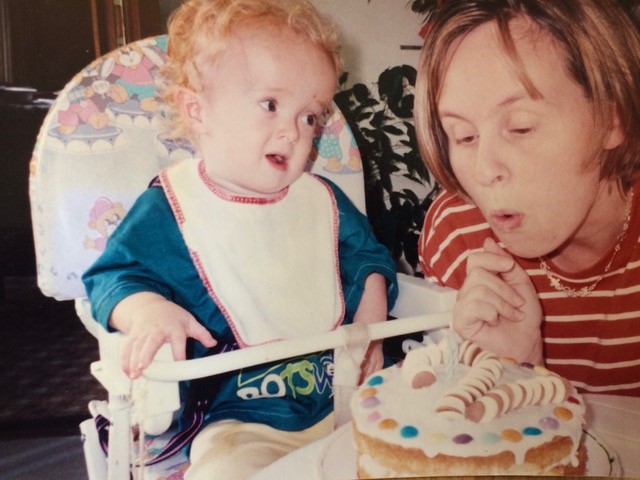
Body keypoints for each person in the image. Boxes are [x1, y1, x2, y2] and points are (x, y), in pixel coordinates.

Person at [82, 0, 398, 477]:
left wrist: (368, 331)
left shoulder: (322, 201)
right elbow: (113, 277)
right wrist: (148, 311)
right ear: (197, 110)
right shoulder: (171, 208)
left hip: (350, 400)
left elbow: (368, 259)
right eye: (271, 104)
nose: (295, 132)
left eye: (311, 116)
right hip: (238, 422)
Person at [415, 0, 640, 397]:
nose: (484, 172)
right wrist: (514, 373)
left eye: (519, 128)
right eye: (464, 136)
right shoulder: (459, 235)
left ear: (614, 118)